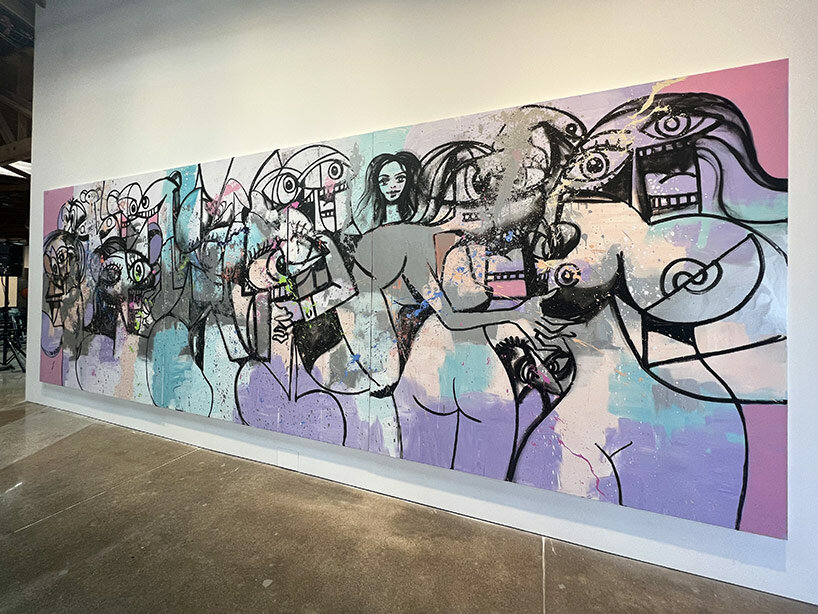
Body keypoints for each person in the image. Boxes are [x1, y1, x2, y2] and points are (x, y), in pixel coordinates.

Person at [355, 152, 423, 231]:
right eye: (384, 181)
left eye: (400, 179)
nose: (393, 185)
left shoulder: (417, 215)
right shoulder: (366, 221)